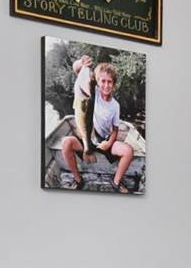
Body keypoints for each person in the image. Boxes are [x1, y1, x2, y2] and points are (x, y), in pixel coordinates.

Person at [58, 61, 138, 193]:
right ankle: (78, 179)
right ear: (97, 82)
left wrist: (109, 143)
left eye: (110, 82)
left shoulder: (115, 106)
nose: (106, 85)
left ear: (114, 84)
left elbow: (115, 130)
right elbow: (77, 70)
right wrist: (82, 63)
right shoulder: (91, 92)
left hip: (103, 141)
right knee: (66, 142)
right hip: (87, 138)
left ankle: (116, 182)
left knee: (128, 151)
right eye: (103, 81)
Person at [68, 52, 95, 162]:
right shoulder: (83, 78)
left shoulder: (90, 84)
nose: (89, 76)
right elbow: (75, 67)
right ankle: (87, 148)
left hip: (95, 130)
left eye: (91, 78)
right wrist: (82, 62)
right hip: (88, 118)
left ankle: (87, 149)